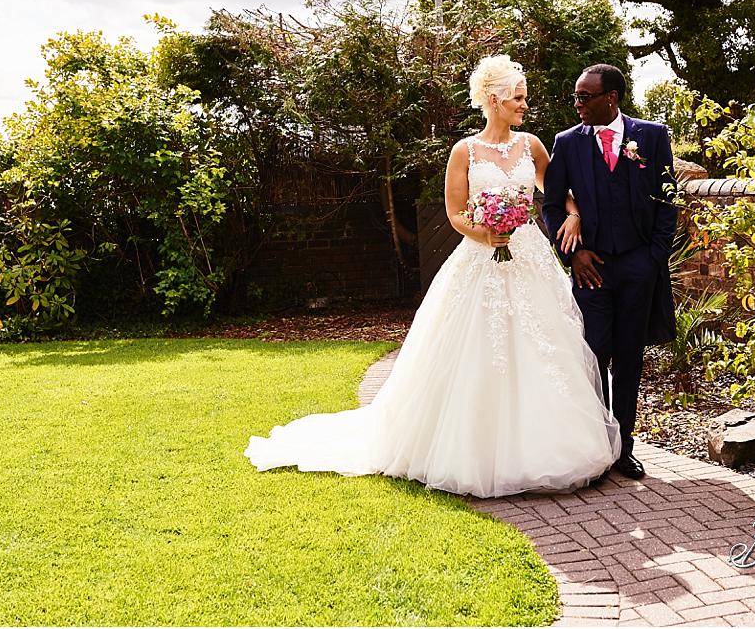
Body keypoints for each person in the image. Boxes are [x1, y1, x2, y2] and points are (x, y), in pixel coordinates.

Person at [245, 55, 620, 498]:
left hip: (529, 259)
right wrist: (487, 233)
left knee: (543, 346)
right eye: (518, 98)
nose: (524, 105)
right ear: (496, 100)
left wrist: (573, 216)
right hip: (481, 259)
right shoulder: (465, 151)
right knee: (478, 351)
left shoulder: (533, 146)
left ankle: (553, 444)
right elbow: (456, 213)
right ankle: (472, 450)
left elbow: (558, 193)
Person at [542, 64, 678, 481]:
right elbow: (550, 205)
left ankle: (625, 448)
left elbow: (667, 200)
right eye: (576, 98)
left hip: (639, 268)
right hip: (591, 272)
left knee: (630, 360)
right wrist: (575, 255)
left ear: (611, 98)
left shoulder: (652, 137)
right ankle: (597, 447)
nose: (577, 104)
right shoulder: (567, 143)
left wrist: (653, 258)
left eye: (585, 97)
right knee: (594, 355)